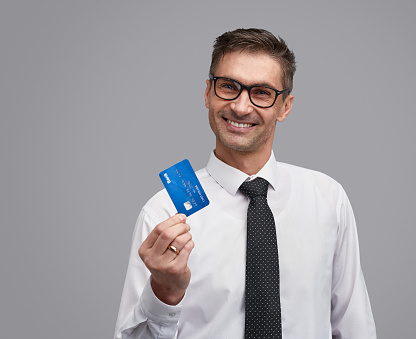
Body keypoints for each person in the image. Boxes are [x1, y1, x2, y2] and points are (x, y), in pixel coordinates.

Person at [114, 28, 376, 339]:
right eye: (228, 87)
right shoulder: (162, 214)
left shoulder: (328, 199)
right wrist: (164, 294)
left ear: (285, 107)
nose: (240, 107)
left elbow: (353, 326)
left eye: (262, 93)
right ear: (209, 93)